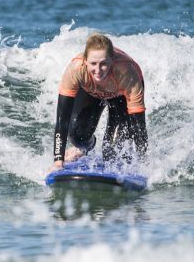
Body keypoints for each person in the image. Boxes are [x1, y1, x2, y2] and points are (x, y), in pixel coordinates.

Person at [50, 33, 148, 170]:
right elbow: (62, 119)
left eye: (103, 64)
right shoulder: (75, 70)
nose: (98, 70)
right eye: (93, 64)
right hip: (91, 92)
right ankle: (84, 148)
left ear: (112, 61)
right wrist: (58, 162)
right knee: (77, 137)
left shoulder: (127, 72)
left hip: (121, 97)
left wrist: (143, 163)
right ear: (85, 61)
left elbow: (139, 125)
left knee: (112, 153)